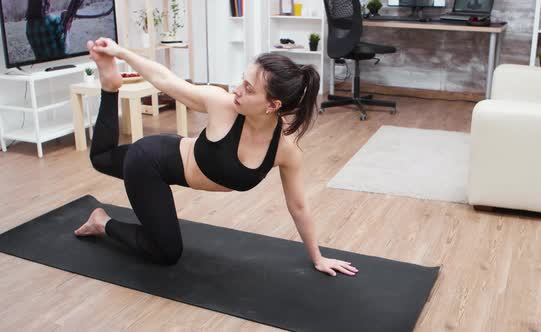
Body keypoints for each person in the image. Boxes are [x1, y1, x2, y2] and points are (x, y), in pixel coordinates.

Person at [74, 37, 359, 277]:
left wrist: (318, 257)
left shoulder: (285, 148)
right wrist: (121, 52)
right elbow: (166, 80)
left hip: (168, 162)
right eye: (242, 81)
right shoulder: (223, 105)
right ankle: (102, 222)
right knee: (166, 253)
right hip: (151, 161)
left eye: (249, 89)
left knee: (102, 158)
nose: (238, 90)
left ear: (272, 105)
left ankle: (109, 88)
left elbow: (298, 205)